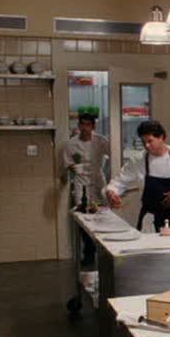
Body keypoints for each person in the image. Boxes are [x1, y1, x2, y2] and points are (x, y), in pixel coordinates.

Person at [104, 120, 170, 231]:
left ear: (161, 137)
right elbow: (119, 182)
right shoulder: (138, 160)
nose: (146, 146)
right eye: (143, 142)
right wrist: (111, 193)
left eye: (150, 141)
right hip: (149, 219)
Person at [63, 112, 109, 266]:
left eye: (88, 125)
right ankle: (89, 252)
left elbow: (114, 154)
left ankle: (102, 251)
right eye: (81, 124)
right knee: (83, 218)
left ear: (93, 126)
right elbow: (68, 164)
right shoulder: (71, 144)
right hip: (81, 181)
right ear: (78, 125)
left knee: (102, 215)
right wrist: (75, 167)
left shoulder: (101, 141)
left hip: (98, 180)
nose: (84, 127)